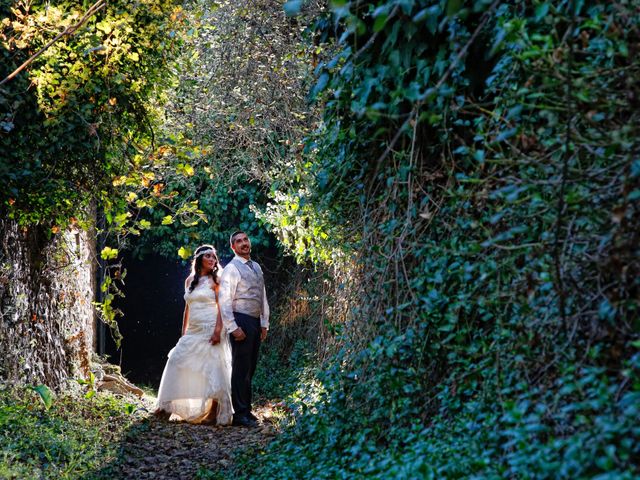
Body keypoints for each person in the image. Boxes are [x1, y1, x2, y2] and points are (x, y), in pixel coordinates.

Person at [155, 245, 233, 425]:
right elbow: (187, 307)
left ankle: (214, 411)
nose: (213, 260)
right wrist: (184, 332)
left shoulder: (216, 280)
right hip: (194, 329)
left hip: (211, 326)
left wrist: (217, 331)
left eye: (214, 257)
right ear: (199, 259)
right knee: (176, 359)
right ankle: (166, 407)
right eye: (208, 256)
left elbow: (222, 307)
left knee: (213, 365)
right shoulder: (189, 280)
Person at [219, 231, 269, 427]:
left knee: (250, 368)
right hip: (241, 320)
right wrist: (233, 327)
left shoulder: (256, 266)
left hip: (255, 321)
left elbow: (262, 296)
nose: (243, 243)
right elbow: (224, 300)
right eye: (238, 242)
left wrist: (264, 323)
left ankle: (246, 409)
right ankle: (240, 415)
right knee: (240, 369)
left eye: (245, 240)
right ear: (233, 247)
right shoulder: (231, 269)